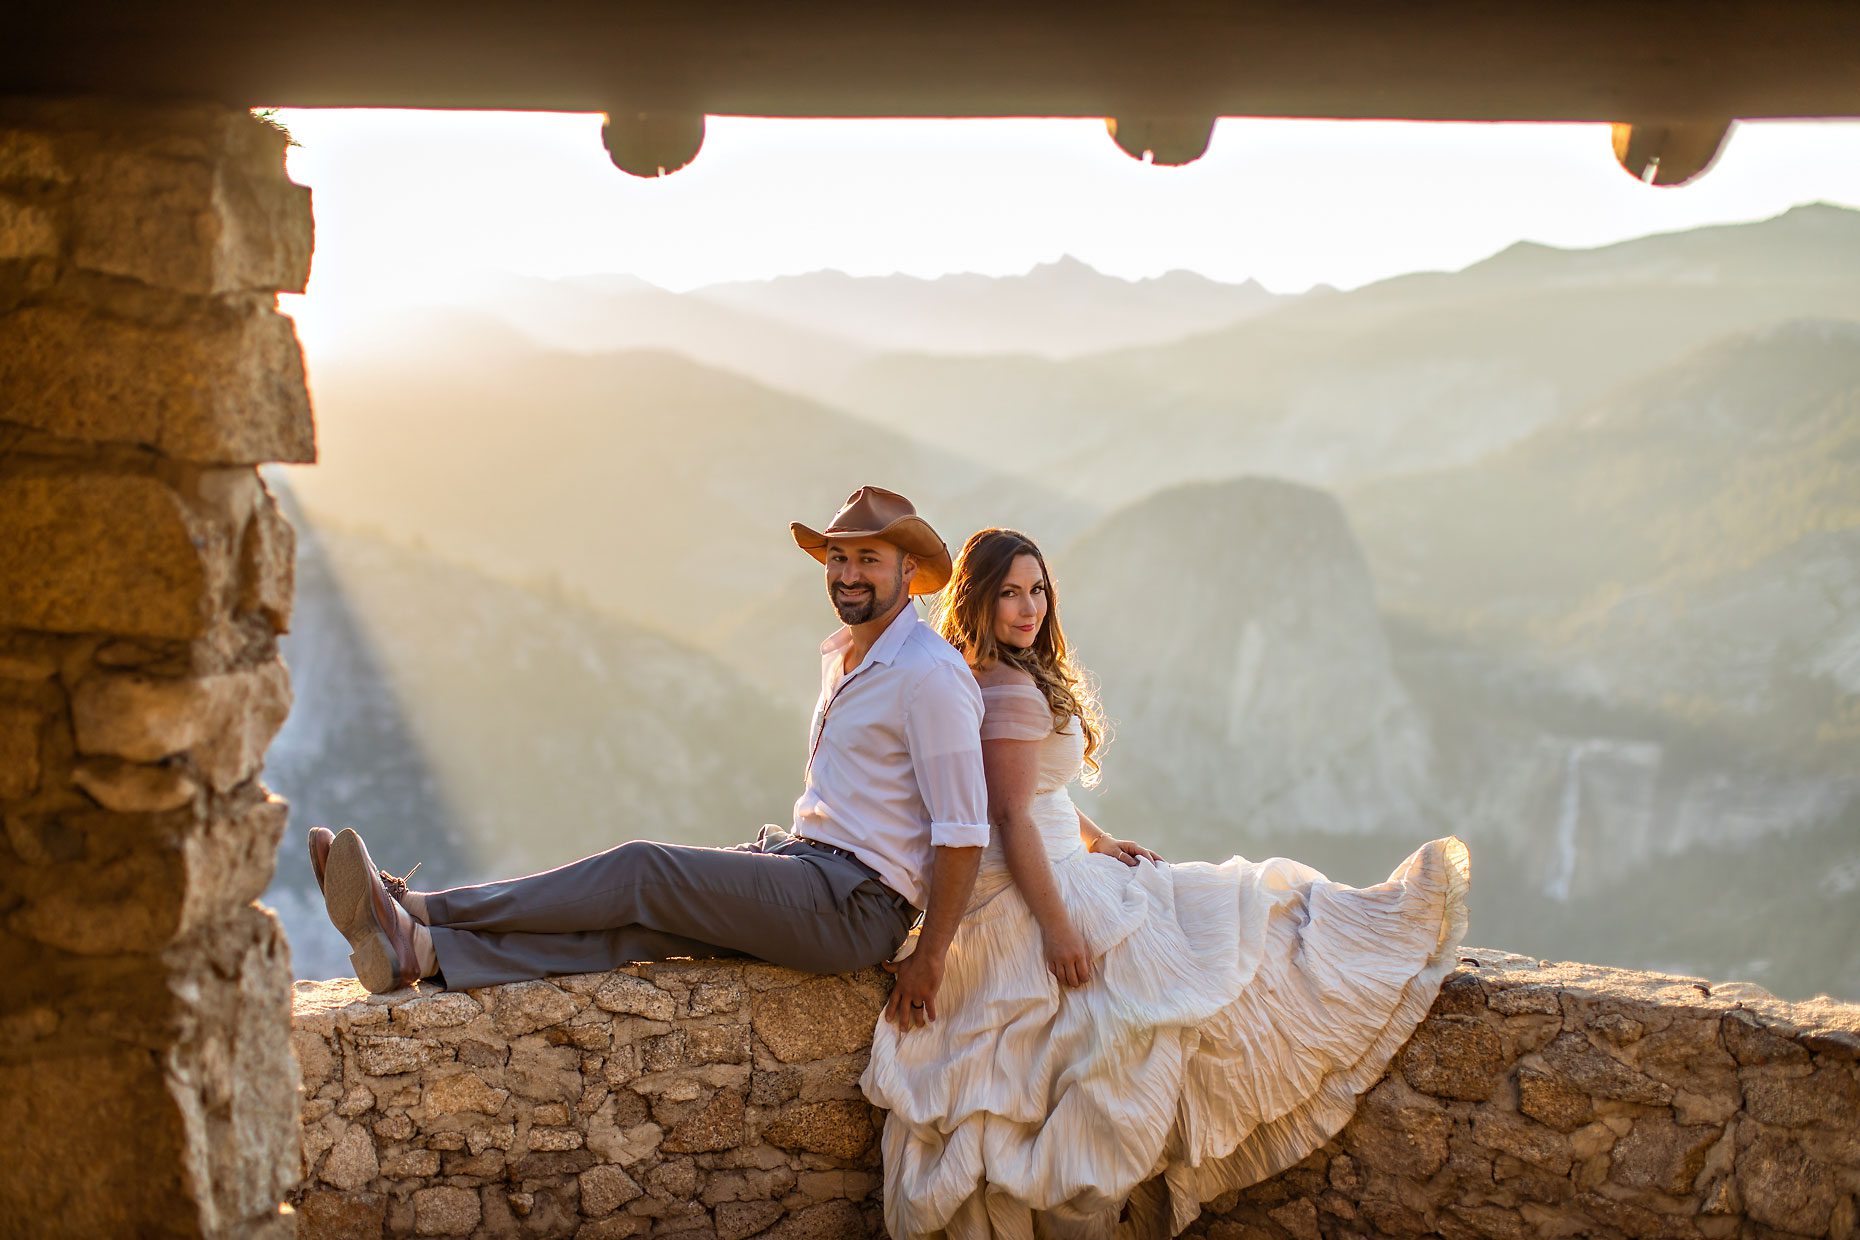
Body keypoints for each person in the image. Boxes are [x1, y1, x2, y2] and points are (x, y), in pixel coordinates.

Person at [860, 528, 1471, 1240]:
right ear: (977, 599)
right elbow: (1010, 814)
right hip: (1036, 884)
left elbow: (1029, 792)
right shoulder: (1011, 689)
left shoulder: (979, 676)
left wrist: (1099, 839)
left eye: (1037, 590)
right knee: (1216, 961)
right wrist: (1059, 928)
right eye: (1008, 594)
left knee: (1202, 952)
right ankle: (1384, 920)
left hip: (1051, 860)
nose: (1028, 608)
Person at [311, 486, 990, 1009]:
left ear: (909, 574)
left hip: (855, 904)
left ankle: (417, 909)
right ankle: (424, 953)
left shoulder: (929, 674)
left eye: (868, 559)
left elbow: (963, 832)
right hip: (805, 865)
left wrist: (929, 960)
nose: (847, 573)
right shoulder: (847, 655)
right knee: (637, 928)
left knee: (643, 872)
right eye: (838, 557)